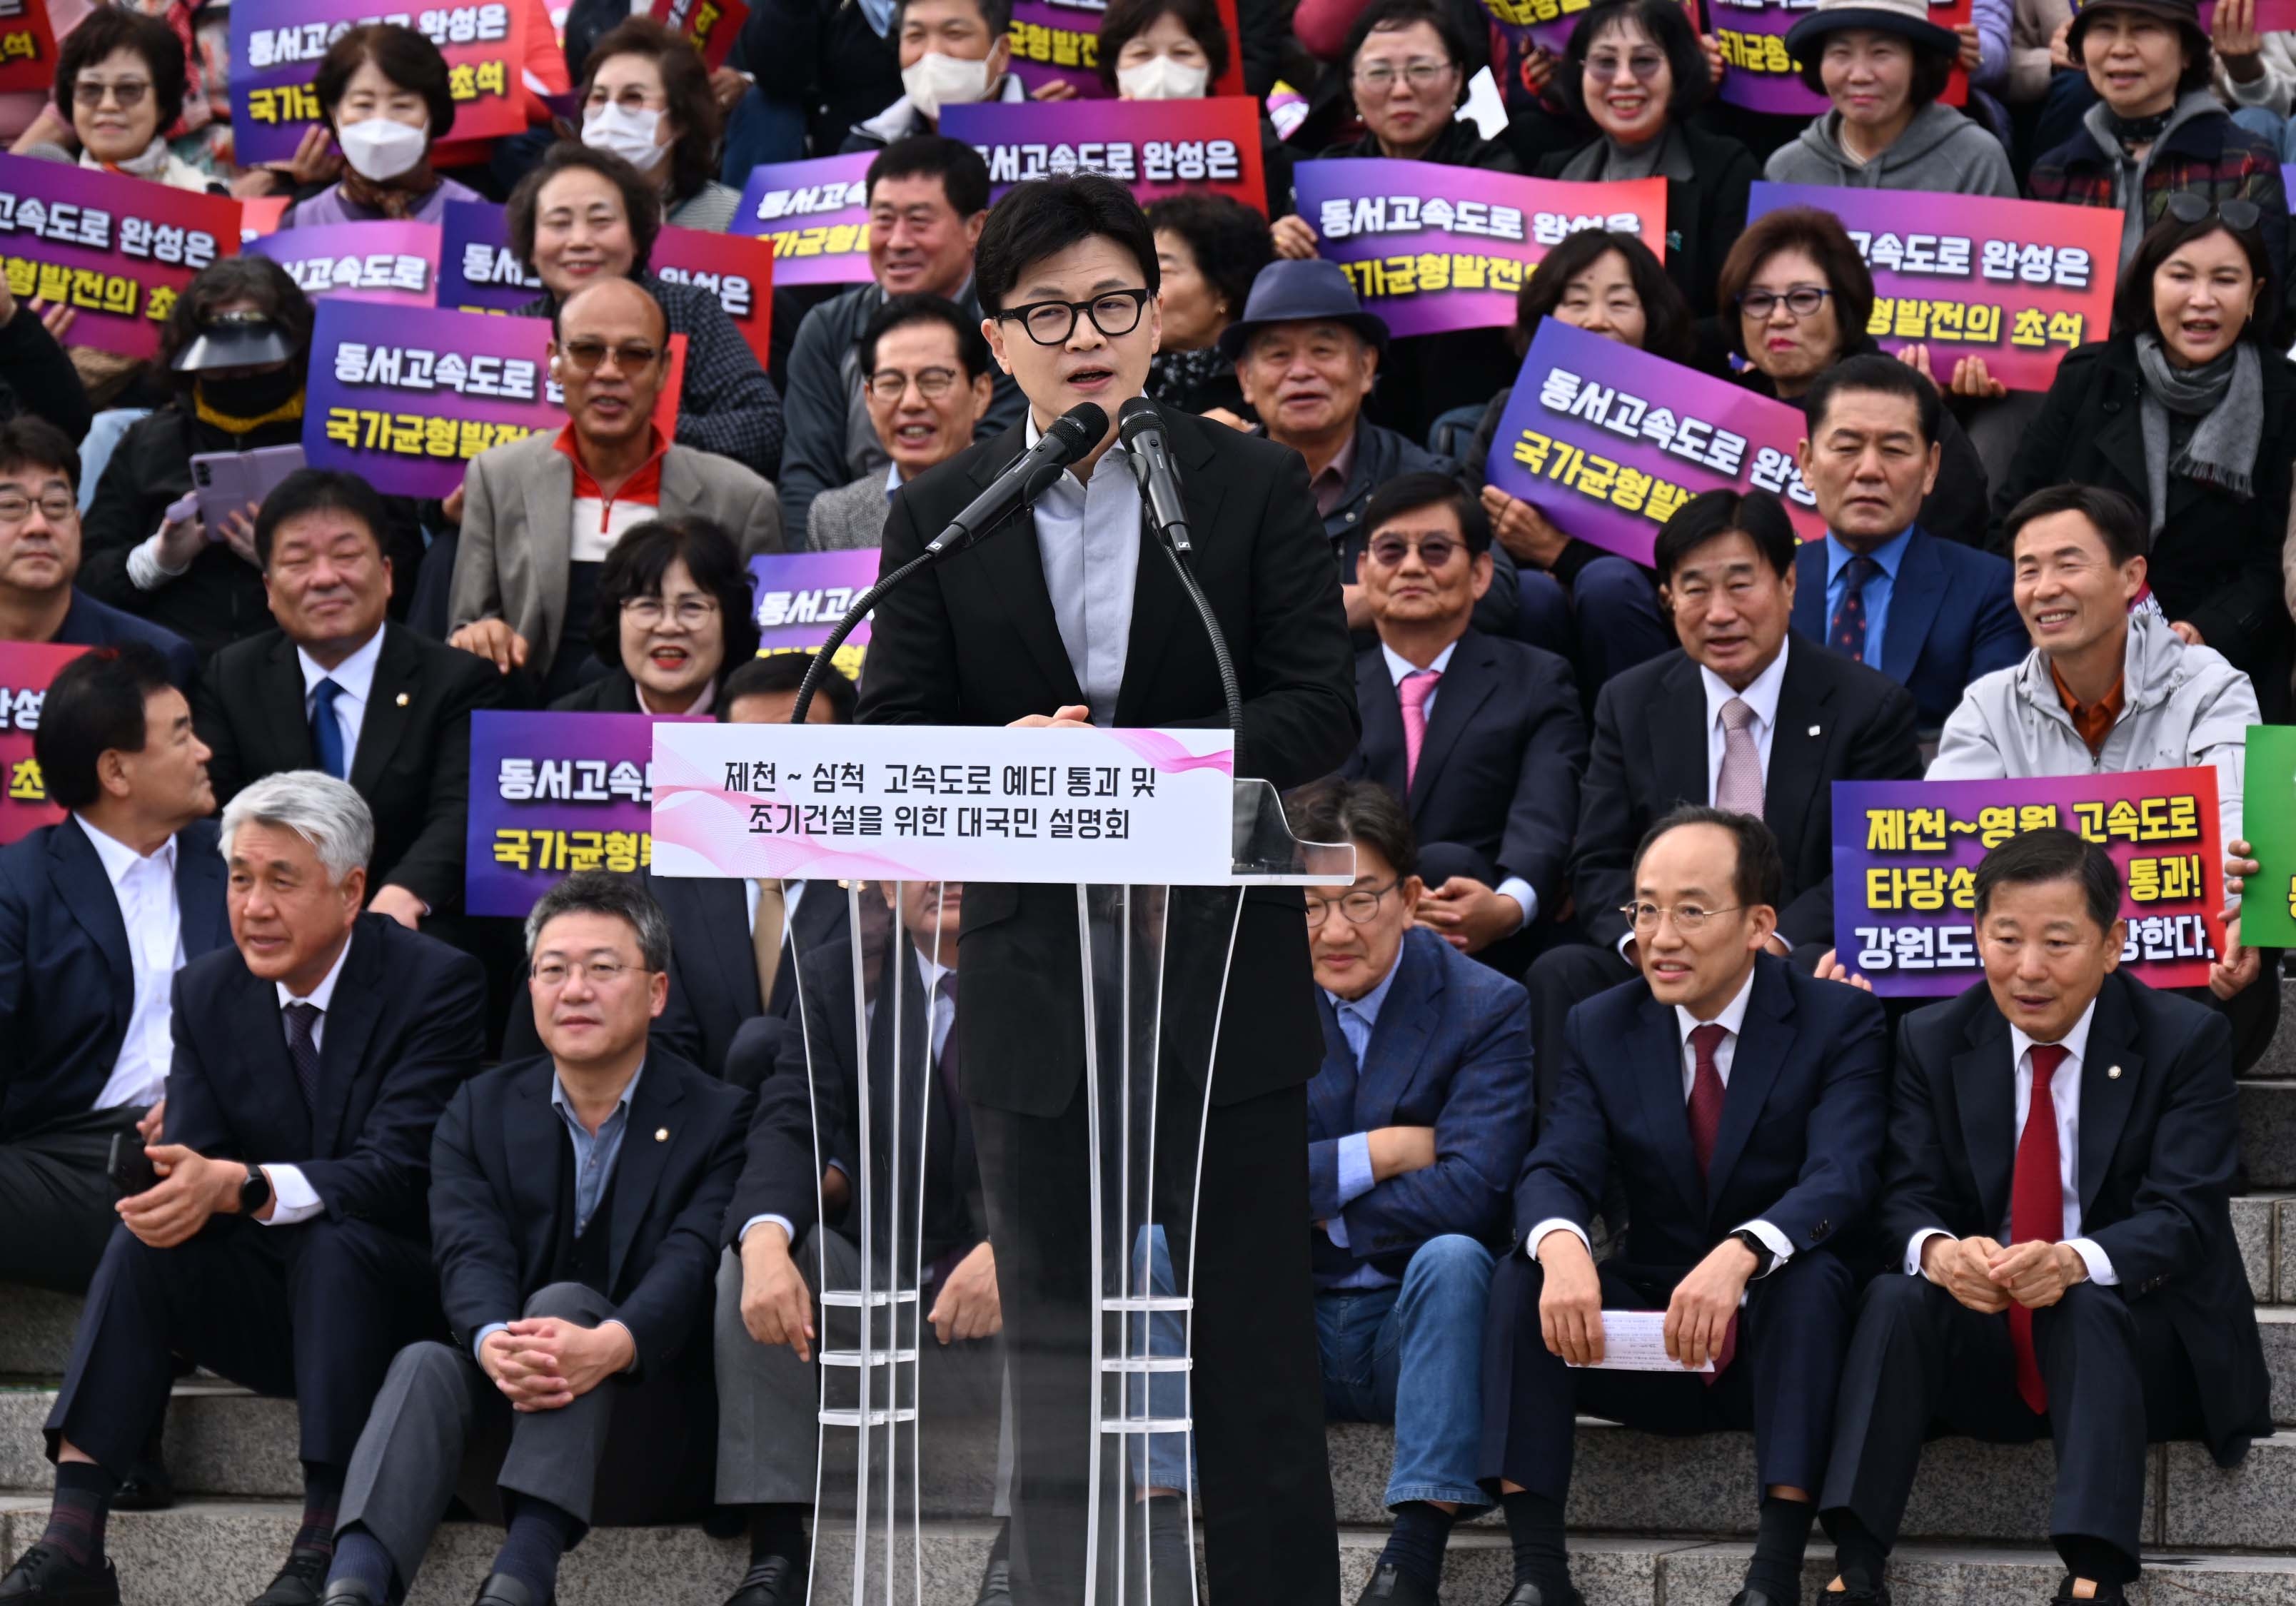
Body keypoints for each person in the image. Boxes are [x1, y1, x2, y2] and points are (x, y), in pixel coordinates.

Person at [856, 172, 1356, 1602]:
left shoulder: (1243, 484)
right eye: (1050, 311)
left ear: (1157, 321)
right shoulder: (945, 512)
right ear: (997, 337)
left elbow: (1324, 708)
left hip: (1220, 990)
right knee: (1062, 1390)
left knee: (1254, 1373)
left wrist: (1151, 770)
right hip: (1033, 1000)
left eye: (1117, 303)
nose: (1088, 334)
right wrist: (1003, 758)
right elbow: (891, 734)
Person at [0, 772, 487, 1606]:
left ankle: (322, 1539)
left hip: (399, 1305)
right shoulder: (211, 989)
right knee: (146, 1239)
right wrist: (188, 1187)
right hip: (276, 1309)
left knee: (334, 1237)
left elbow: (400, 1173)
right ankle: (74, 1538)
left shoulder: (435, 984)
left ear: (351, 891)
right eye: (238, 878)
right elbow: (200, 1160)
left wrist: (250, 1186)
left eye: (282, 881)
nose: (253, 906)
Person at [1815, 829, 2271, 1606]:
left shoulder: (2185, 1039)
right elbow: (1903, 1197)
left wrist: (2073, 1260)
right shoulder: (1933, 1038)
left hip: (2139, 1348)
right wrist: (1938, 1251)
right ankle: (1853, 1564)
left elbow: (2184, 1216)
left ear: (2112, 944)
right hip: (1991, 1331)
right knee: (1895, 1294)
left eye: (2058, 942)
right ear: (1977, 939)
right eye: (2006, 939)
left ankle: (2096, 1573)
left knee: (2085, 1297)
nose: (2028, 969)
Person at [1483, 807, 1888, 1606]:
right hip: (1654, 1331)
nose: (1660, 936)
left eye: (1692, 911)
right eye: (1645, 908)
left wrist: (1742, 1255)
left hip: (1772, 1333)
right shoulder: (1600, 1024)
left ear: (1759, 924)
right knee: (1519, 1277)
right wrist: (1562, 1246)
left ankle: (1773, 1575)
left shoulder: (1836, 1020)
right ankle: (1536, 1574)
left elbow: (1843, 1175)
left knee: (1812, 1286)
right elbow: (1556, 1163)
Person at [312, 873, 748, 1606]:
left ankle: (521, 1582)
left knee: (569, 1302)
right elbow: (467, 1251)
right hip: (505, 1433)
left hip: (651, 1438)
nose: (574, 989)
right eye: (553, 969)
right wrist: (491, 1345)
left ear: (657, 992)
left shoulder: (719, 1116)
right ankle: (353, 1587)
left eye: (603, 969)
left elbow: (691, 1260)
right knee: (427, 1361)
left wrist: (611, 1344)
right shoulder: (478, 1109)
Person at [1523, 488, 1922, 1118]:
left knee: (1838, 970)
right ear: (1667, 599)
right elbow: (1597, 861)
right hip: (1666, 949)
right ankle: (1567, 1191)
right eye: (1694, 589)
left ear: (1790, 584)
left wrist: (1770, 942)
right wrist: (1650, 941)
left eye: (1742, 585)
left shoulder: (1867, 707)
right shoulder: (1630, 702)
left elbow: (1873, 865)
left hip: (1789, 951)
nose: (1719, 613)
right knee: (1562, 971)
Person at [715, 877, 1004, 1606]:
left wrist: (1018, 1248)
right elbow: (792, 1120)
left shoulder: (1065, 968)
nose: (943, 875)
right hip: (883, 1277)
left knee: (1080, 1262)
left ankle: (1023, 1539)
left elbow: (1098, 1147)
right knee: (756, 1263)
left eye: (966, 845)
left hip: (1015, 1298)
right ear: (877, 876)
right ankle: (778, 1545)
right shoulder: (840, 972)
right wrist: (762, 1241)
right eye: (919, 852)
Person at [1285, 779, 1534, 1606]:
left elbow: (1470, 1191)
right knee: (1159, 1249)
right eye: (1310, 906)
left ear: (1412, 897)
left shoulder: (1486, 1006)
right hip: (1288, 1324)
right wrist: (1383, 1153)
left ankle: (1414, 1552)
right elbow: (1222, 1181)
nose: (1334, 931)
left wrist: (1318, 1209)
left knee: (1460, 1258)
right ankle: (1158, 1517)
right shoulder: (1247, 1002)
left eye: (1359, 900)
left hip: (1413, 1327)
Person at [1935, 482, 2277, 1062]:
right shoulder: (1987, 706)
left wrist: (2244, 909)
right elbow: (1942, 840)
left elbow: (2237, 808)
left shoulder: (2210, 683)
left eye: (2069, 564)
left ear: (2130, 576)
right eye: (2027, 570)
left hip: (2173, 970)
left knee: (2241, 962)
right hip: (2041, 967)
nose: (2045, 589)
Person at [1989, 204, 2295, 714]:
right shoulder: (2089, 376)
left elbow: (2275, 561)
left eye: (2226, 280)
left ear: (2255, 295)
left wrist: (2207, 630)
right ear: (2148, 283)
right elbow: (2014, 517)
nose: (2202, 300)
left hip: (2226, 661)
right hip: (2080, 649)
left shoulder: (2283, 395)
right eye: (2180, 276)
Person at [0, 643, 225, 1296]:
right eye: (182, 736)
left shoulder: (241, 865)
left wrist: (204, 1099)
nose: (205, 751)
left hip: (221, 1147)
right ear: (116, 772)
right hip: (72, 1156)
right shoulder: (22, 884)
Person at [193, 470, 503, 931]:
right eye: (298, 561)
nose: (324, 578)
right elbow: (213, 814)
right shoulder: (232, 676)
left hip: (411, 935)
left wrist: (404, 895)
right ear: (270, 591)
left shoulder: (457, 680)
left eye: (346, 555)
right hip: (269, 929)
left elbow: (460, 810)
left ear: (387, 574)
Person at [449, 276, 782, 703]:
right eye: (588, 352)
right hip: (531, 732)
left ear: (664, 370)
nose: (609, 372)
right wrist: (480, 635)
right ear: (554, 361)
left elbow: (766, 662)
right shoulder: (497, 477)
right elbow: (467, 625)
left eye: (634, 355)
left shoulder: (741, 499)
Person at [76, 259, 420, 659]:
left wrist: (295, 562)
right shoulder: (150, 442)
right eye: (221, 367)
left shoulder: (348, 439)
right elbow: (88, 579)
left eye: (256, 363)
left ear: (295, 350)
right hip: (174, 664)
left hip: (313, 659)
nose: (239, 374)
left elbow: (406, 571)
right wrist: (156, 560)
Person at [1339, 474, 1586, 980]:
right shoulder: (1328, 691)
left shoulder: (1538, 679)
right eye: (1391, 551)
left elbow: (1545, 813)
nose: (1411, 567)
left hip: (1488, 946)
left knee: (1450, 859)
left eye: (1435, 550)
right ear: (1363, 571)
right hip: (1346, 929)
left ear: (1480, 573)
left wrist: (1507, 907)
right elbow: (1314, 819)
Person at [1219, 258, 1521, 643]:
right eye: (1278, 355)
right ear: (1246, 377)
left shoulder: (1422, 479)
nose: (1300, 371)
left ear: (1366, 367)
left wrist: (1367, 600)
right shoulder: (1213, 481)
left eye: (1323, 350)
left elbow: (1498, 593)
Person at [1271, 0, 1524, 442]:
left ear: (1457, 78)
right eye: (1380, 72)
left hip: (1465, 408)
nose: (1401, 90)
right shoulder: (1328, 180)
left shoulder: (1497, 172)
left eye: (1421, 70)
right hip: (1355, 411)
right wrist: (1281, 249)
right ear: (1352, 86)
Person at [1454, 228, 1689, 690]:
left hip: (1642, 623)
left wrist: (1560, 553)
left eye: (1620, 304)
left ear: (1652, 320)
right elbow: (1466, 518)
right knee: (1534, 594)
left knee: (1608, 582)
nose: (1596, 321)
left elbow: (1684, 559)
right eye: (1576, 303)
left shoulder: (1682, 420)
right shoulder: (1510, 407)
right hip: (1522, 611)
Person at [777, 137, 1022, 540]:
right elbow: (807, 473)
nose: (897, 241)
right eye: (884, 220)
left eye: (919, 221)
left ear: (975, 228)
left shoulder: (1009, 326)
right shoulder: (827, 327)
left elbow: (997, 461)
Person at [505, 143, 786, 483]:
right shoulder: (515, 330)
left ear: (637, 237)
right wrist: (443, 506)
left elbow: (763, 428)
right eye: (559, 223)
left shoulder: (688, 310)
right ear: (531, 246)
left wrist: (638, 429)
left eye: (601, 221)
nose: (579, 240)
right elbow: (440, 460)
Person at [1716, 207, 1993, 547]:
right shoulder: (1730, 412)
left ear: (1845, 306)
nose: (1779, 317)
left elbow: (1954, 523)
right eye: (1759, 301)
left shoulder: (1901, 400)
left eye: (1803, 298)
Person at [1790, 355, 2025, 730]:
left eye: (1894, 450)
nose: (1869, 470)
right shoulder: (1770, 581)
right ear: (1807, 463)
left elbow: (1994, 739)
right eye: (1847, 447)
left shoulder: (1989, 589)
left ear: (1931, 468)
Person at [2027, 0, 2288, 284]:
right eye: (2104, 29)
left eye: (2144, 29)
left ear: (2187, 51)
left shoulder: (2247, 164)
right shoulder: (2052, 176)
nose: (2121, 49)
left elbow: (2260, 308)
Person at [1534, 0, 1758, 317]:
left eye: (1644, 61)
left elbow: (1738, 315)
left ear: (1678, 70)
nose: (1624, 80)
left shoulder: (1726, 170)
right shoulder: (1552, 174)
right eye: (1605, 62)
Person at [0, 417, 196, 685]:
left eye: (56, 505)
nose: (39, 526)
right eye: (11, 506)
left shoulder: (153, 660)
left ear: (78, 525)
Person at [1763, 0, 2018, 193]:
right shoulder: (1787, 170)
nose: (1859, 75)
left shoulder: (1977, 161)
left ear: (1917, 63)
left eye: (1881, 52)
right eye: (1841, 53)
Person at [807, 294, 998, 552]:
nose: (911, 402)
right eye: (890, 383)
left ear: (980, 393)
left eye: (934, 380)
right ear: (869, 399)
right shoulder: (833, 518)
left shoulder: (1025, 494)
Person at [548, 516, 762, 711]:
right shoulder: (566, 724)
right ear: (616, 619)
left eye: (692, 607)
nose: (669, 627)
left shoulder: (767, 723)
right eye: (648, 606)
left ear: (729, 621)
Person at [274, 25, 480, 227]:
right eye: (363, 105)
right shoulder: (303, 222)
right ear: (334, 113)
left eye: (402, 105)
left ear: (432, 113)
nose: (381, 121)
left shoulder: (473, 216)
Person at [1099, 0, 1295, 213]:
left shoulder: (1256, 144)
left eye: (1182, 52)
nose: (1162, 70)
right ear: (1115, 66)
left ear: (1210, 65)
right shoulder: (1086, 147)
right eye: (1141, 54)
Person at [578, 19, 742, 233]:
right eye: (599, 97)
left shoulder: (732, 219)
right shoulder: (548, 209)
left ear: (680, 120)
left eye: (633, 97)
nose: (611, 113)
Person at [1143, 192, 1274, 418]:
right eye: (1140, 272)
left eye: (1161, 272)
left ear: (1223, 290)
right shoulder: (1125, 382)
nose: (1144, 289)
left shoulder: (1266, 386)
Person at [842, 0, 1032, 153]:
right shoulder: (866, 147)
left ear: (1002, 52)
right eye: (915, 35)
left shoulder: (1053, 139)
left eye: (954, 33)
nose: (932, 54)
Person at [56, 9, 209, 191]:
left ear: (162, 103)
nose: (108, 105)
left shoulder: (204, 196)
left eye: (129, 90)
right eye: (91, 89)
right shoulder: (40, 198)